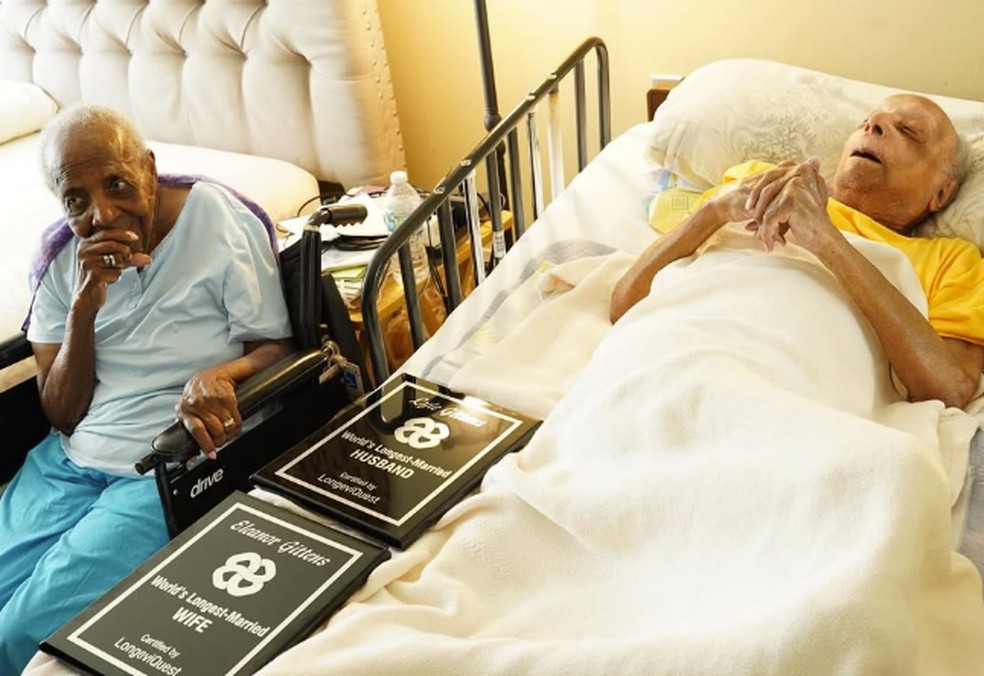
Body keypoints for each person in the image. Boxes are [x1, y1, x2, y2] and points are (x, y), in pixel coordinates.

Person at [0, 104, 294, 672]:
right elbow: (60, 413)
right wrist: (84, 308)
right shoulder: (59, 257)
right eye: (76, 200)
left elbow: (276, 346)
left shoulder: (217, 217)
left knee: (18, 632)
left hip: (166, 461)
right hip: (68, 460)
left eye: (116, 184)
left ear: (150, 169)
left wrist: (220, 375)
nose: (102, 212)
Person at [611, 94, 984, 409]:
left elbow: (950, 388)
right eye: (867, 121)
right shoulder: (760, 180)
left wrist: (825, 239)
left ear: (942, 194)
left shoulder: (952, 260)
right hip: (672, 357)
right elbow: (625, 303)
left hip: (793, 395)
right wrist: (715, 210)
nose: (874, 126)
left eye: (908, 131)